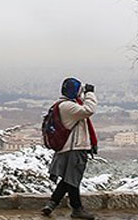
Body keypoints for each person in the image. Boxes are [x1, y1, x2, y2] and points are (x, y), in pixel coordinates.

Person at [42, 77, 98, 219]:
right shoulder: (68, 107)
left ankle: (52, 204)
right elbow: (89, 110)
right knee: (72, 180)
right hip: (74, 148)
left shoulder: (62, 105)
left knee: (68, 179)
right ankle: (77, 209)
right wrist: (90, 94)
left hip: (67, 147)